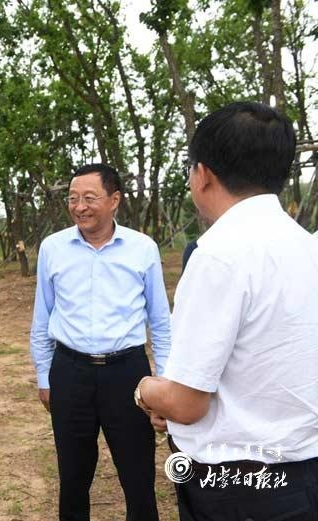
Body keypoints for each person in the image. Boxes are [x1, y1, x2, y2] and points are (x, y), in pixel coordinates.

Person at [135, 102, 318, 520]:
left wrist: (145, 390)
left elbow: (186, 403)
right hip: (305, 471)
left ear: (203, 174)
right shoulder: (307, 246)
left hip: (239, 485)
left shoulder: (219, 255)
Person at [29, 163, 171, 521]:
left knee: (138, 475)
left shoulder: (142, 249)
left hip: (128, 373)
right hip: (70, 371)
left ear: (114, 200)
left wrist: (165, 383)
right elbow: (42, 318)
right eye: (73, 199)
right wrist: (45, 376)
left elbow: (160, 322)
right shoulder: (53, 248)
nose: (80, 207)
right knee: (73, 476)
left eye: (90, 198)